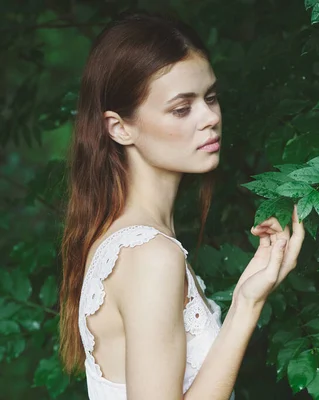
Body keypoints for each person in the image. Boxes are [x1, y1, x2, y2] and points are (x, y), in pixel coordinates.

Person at [58, 11, 305, 400]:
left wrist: (246, 300)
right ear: (120, 127)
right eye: (181, 108)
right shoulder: (149, 255)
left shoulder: (127, 241)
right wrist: (246, 309)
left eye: (210, 97)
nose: (210, 118)